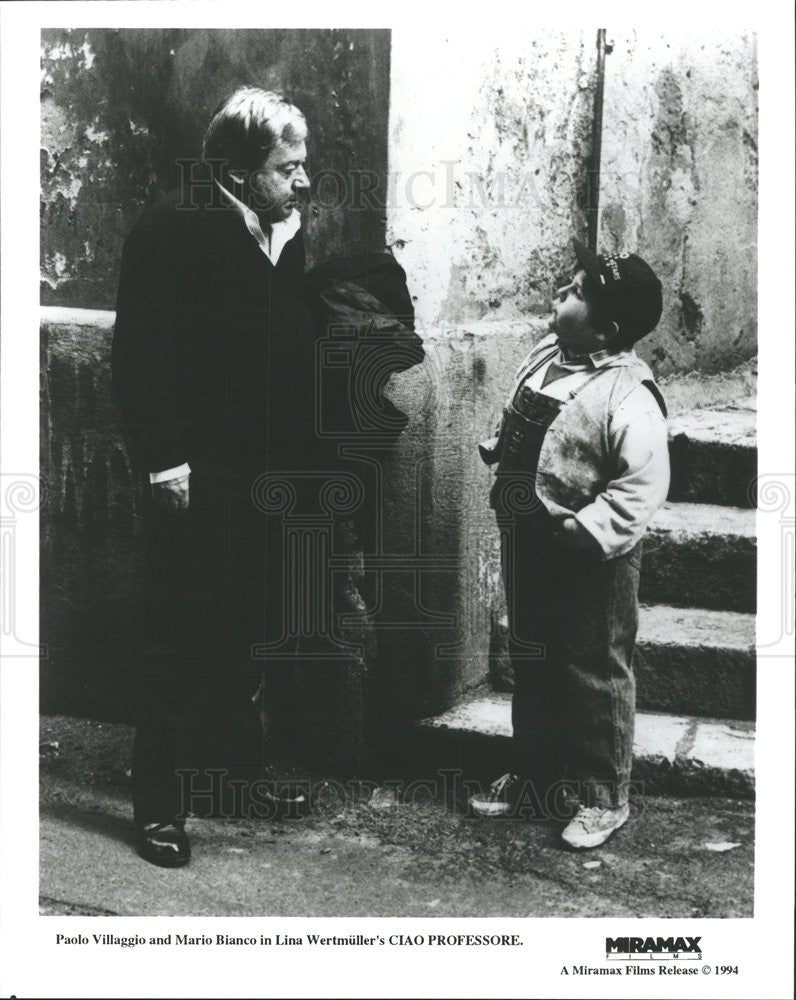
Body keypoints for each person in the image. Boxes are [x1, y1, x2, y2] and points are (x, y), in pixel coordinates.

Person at [112, 88, 318, 867]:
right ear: (234, 168)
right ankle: (160, 806)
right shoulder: (175, 228)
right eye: (285, 167)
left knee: (245, 624)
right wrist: (165, 461)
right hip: (196, 470)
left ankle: (235, 773)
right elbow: (141, 358)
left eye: (303, 166)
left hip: (264, 469)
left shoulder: (276, 228)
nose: (300, 182)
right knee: (182, 633)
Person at [472, 239, 670, 849]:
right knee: (533, 657)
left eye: (577, 292)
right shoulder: (545, 354)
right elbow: (521, 421)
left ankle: (603, 795)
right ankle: (536, 772)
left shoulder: (628, 396)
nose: (560, 295)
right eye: (568, 283)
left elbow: (641, 487)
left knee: (593, 670)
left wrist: (583, 530)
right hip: (528, 536)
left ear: (607, 329)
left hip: (589, 554)